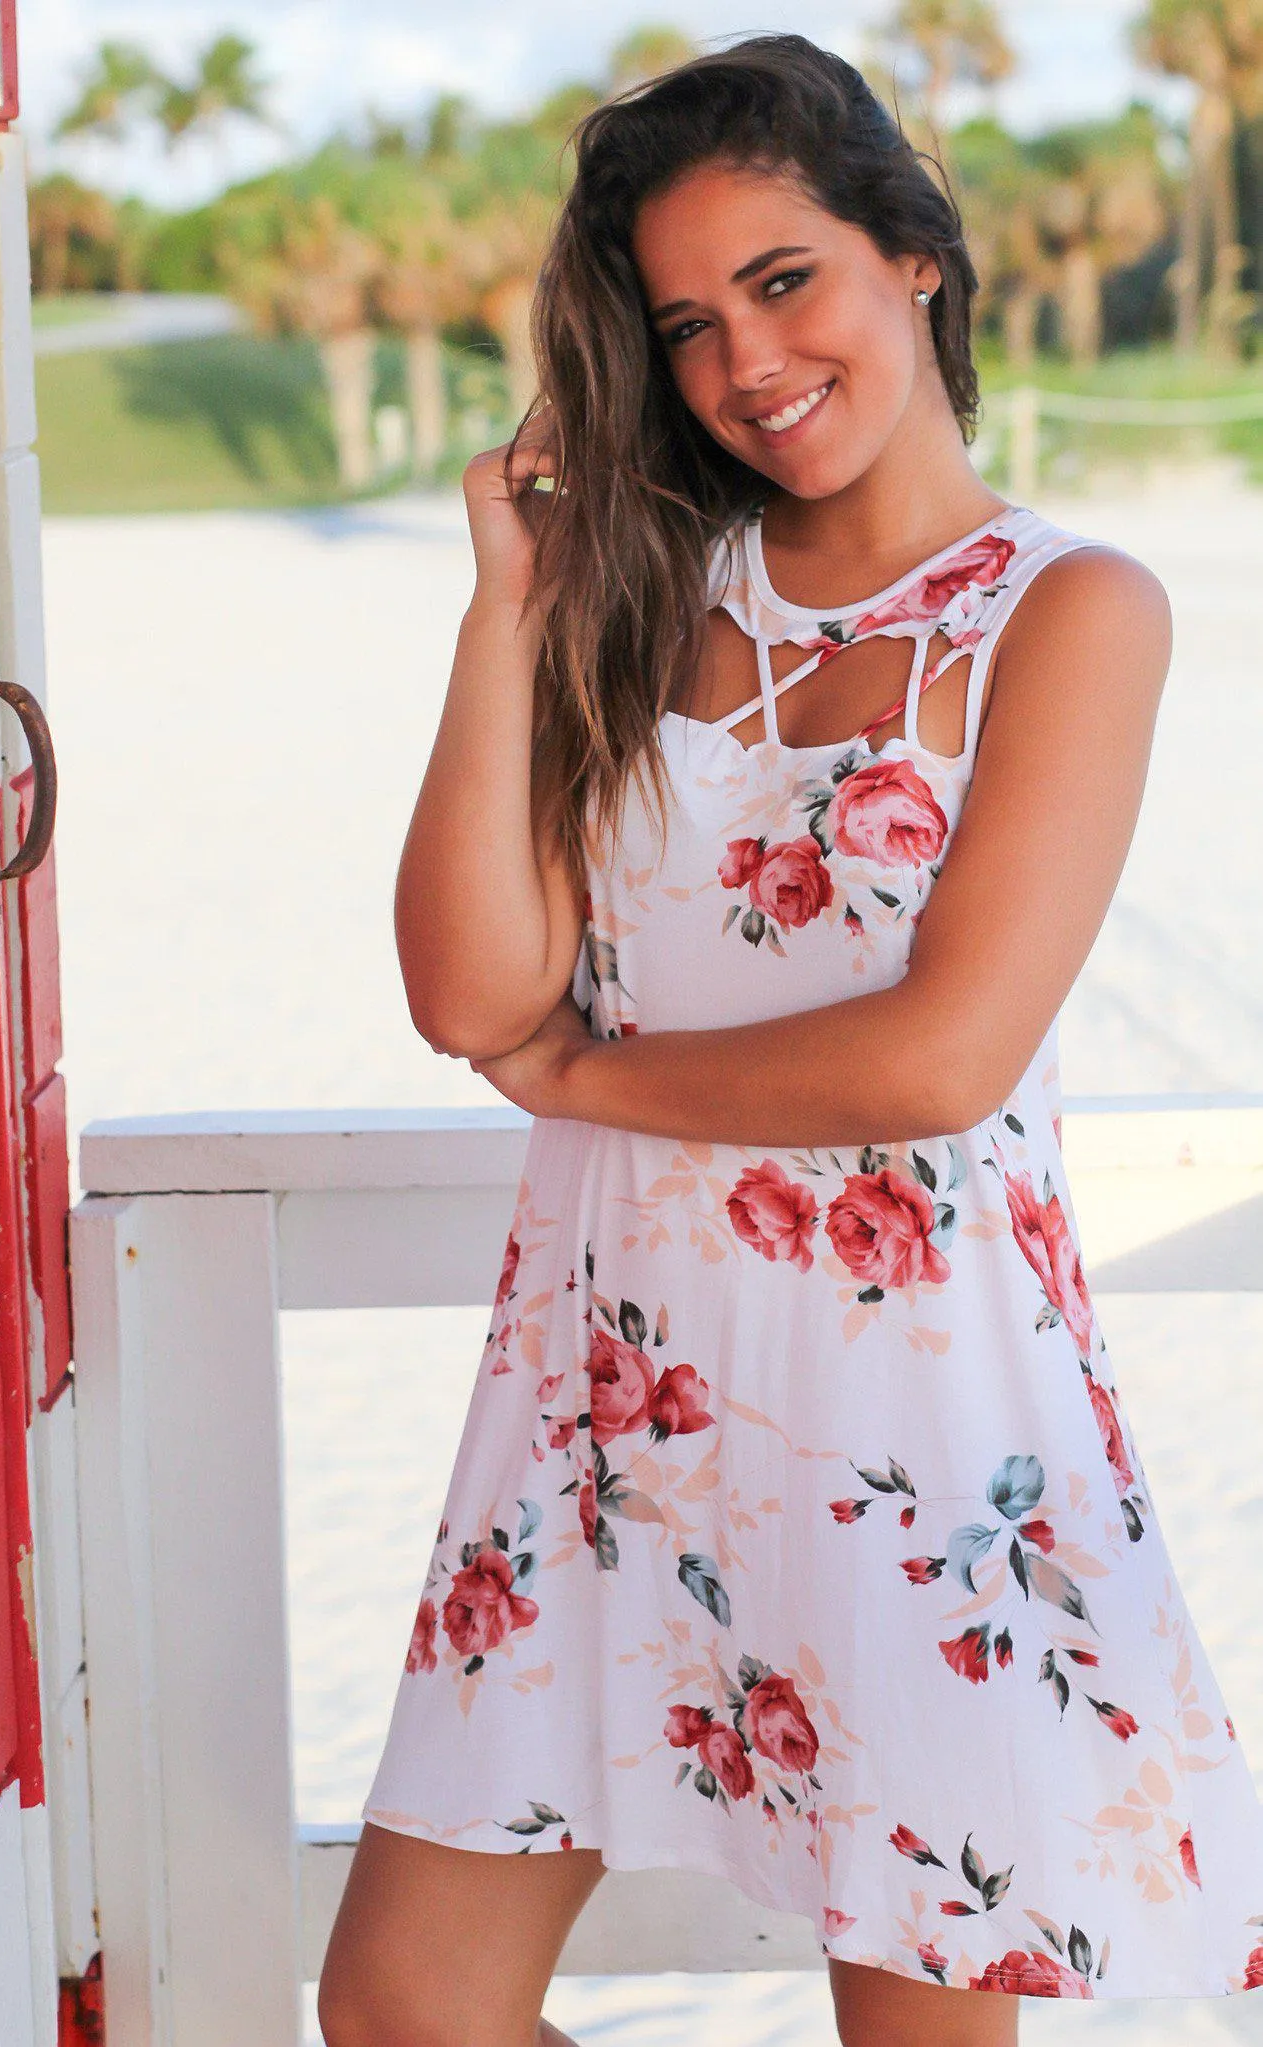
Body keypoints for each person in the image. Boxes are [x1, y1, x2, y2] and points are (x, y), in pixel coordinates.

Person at [318, 32, 1263, 2047]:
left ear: (912, 258)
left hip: (908, 1425)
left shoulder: (1067, 610)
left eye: (782, 280)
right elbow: (470, 990)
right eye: (683, 322)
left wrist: (586, 1085)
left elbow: (938, 1059)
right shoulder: (648, 596)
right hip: (597, 1401)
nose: (744, 359)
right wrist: (509, 598)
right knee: (405, 2005)